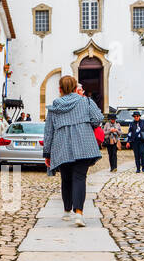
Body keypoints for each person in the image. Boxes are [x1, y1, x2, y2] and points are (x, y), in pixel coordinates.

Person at [43, 75, 103, 226]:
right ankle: (79, 214)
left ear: (60, 89)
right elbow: (97, 119)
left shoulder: (54, 107)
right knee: (80, 178)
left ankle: (67, 211)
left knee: (66, 178)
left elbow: (49, 131)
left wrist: (47, 153)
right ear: (76, 88)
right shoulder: (87, 102)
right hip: (83, 144)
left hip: (62, 146)